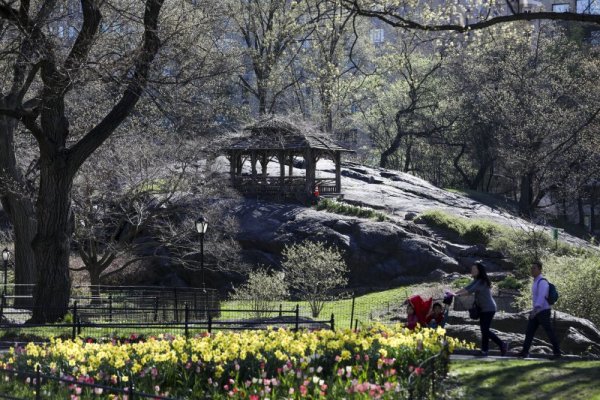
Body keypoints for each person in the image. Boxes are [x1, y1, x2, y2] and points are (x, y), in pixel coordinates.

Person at [453, 261, 508, 357]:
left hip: (489, 308)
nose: (472, 270)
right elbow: (467, 287)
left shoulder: (482, 281)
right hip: (483, 309)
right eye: (472, 269)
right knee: (484, 330)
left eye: (474, 269)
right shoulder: (476, 280)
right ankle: (484, 350)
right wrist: (453, 293)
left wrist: (457, 295)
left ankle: (502, 344)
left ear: (479, 271)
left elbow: (470, 291)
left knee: (485, 330)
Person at [517, 261, 561, 359]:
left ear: (540, 270)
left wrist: (535, 311)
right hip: (538, 311)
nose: (532, 270)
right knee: (529, 332)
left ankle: (557, 352)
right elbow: (537, 298)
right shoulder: (536, 281)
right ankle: (524, 352)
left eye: (534, 268)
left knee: (549, 332)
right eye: (531, 268)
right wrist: (534, 311)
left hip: (543, 311)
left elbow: (541, 297)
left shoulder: (542, 282)